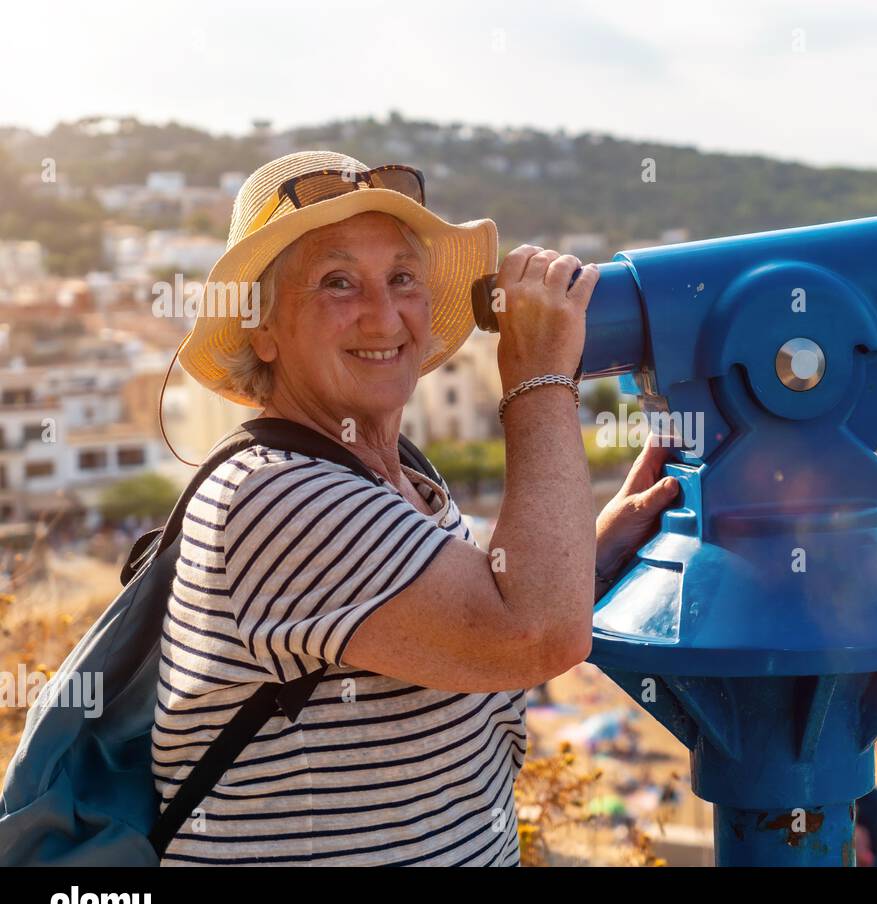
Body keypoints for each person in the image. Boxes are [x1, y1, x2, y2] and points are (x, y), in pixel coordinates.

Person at [152, 151, 680, 866]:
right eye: (338, 283)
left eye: (403, 278)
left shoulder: (401, 482)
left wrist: (598, 547)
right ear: (262, 331)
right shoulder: (273, 495)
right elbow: (535, 638)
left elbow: (482, 618)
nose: (384, 313)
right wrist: (541, 376)